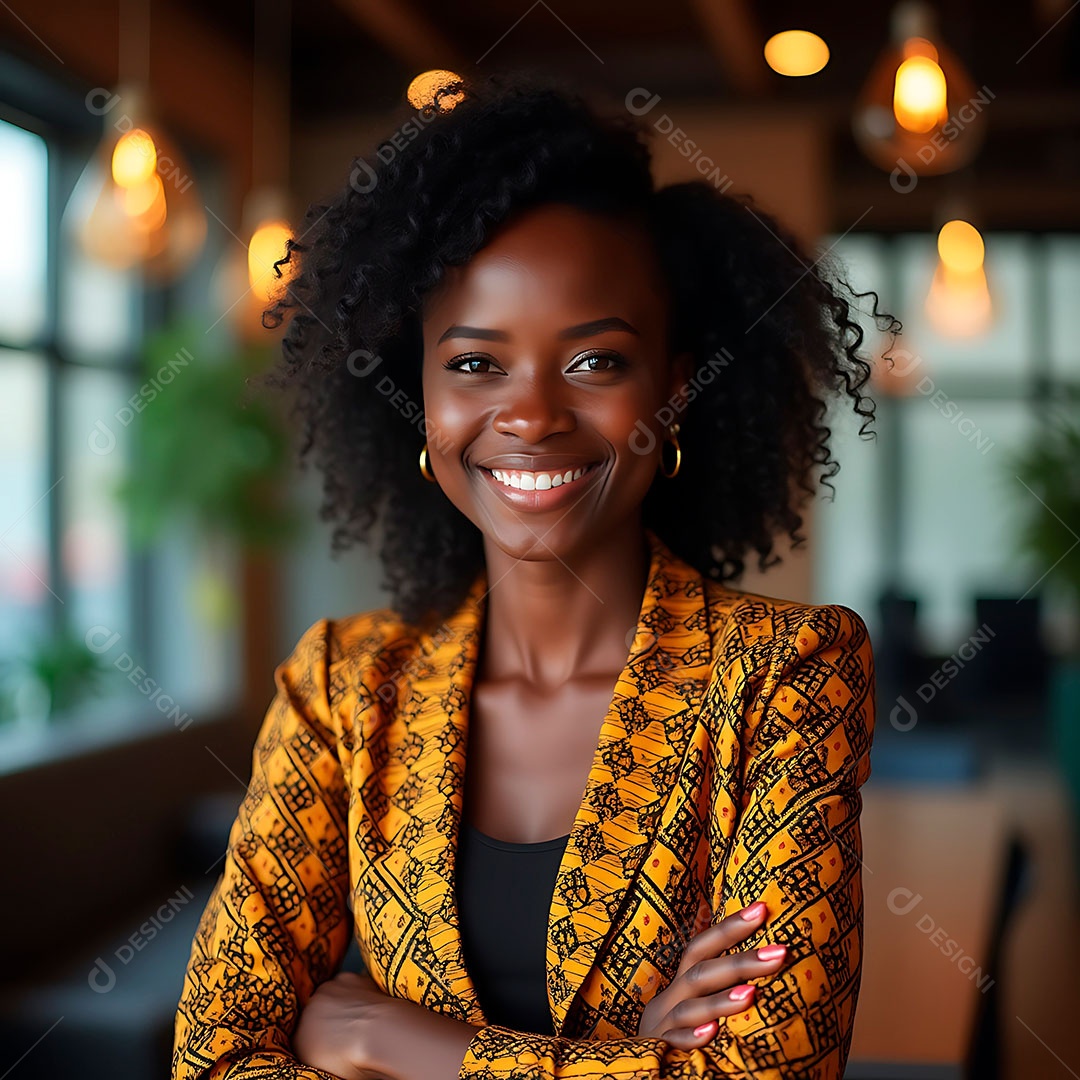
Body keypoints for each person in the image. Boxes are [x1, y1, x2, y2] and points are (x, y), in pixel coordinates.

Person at [172, 69, 889, 1080]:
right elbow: (214, 1060)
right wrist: (635, 1063)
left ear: (674, 392)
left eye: (595, 362)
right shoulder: (341, 685)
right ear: (417, 397)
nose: (533, 416)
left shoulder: (787, 675)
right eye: (474, 364)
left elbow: (771, 1076)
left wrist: (395, 1044)